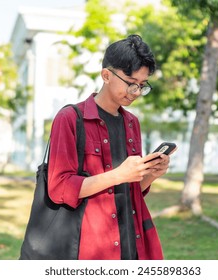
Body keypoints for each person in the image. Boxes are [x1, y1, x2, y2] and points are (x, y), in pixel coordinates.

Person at [47, 34, 175, 260]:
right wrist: (118, 175)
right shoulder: (69, 118)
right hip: (92, 247)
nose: (135, 93)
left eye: (142, 86)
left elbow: (132, 188)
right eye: (131, 83)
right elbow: (59, 189)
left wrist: (151, 174)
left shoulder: (132, 123)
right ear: (106, 75)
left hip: (133, 241)